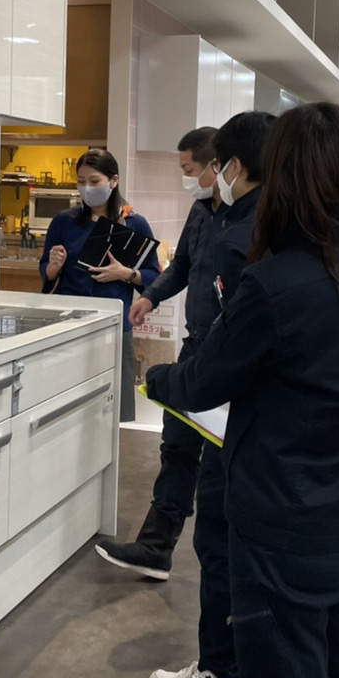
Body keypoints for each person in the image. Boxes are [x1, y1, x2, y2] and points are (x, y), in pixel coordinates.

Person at [146, 102, 339, 678]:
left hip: (286, 521)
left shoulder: (277, 282)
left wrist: (155, 378)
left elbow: (205, 381)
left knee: (284, 665)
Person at [144, 111, 275, 678]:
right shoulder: (280, 226)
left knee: (221, 535)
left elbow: (232, 350)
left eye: (206, 166)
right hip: (247, 399)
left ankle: (221, 670)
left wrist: (166, 382)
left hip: (231, 401)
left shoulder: (246, 236)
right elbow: (182, 272)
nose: (199, 177)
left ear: (232, 166)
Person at [96, 127, 220, 582]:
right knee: (177, 445)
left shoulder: (253, 216)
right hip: (196, 345)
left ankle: (222, 567)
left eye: (189, 169)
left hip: (231, 353)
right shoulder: (202, 210)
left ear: (218, 166)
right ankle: (155, 547)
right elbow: (182, 265)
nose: (186, 178)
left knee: (220, 462)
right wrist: (149, 295)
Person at [40, 148, 160, 421]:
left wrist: (126, 273)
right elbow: (46, 274)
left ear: (113, 181)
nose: (87, 188)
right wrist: (53, 266)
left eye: (94, 181)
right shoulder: (64, 222)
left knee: (112, 407)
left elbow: (154, 277)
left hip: (114, 325)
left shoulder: (135, 223)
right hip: (70, 325)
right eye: (81, 181)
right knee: (68, 406)